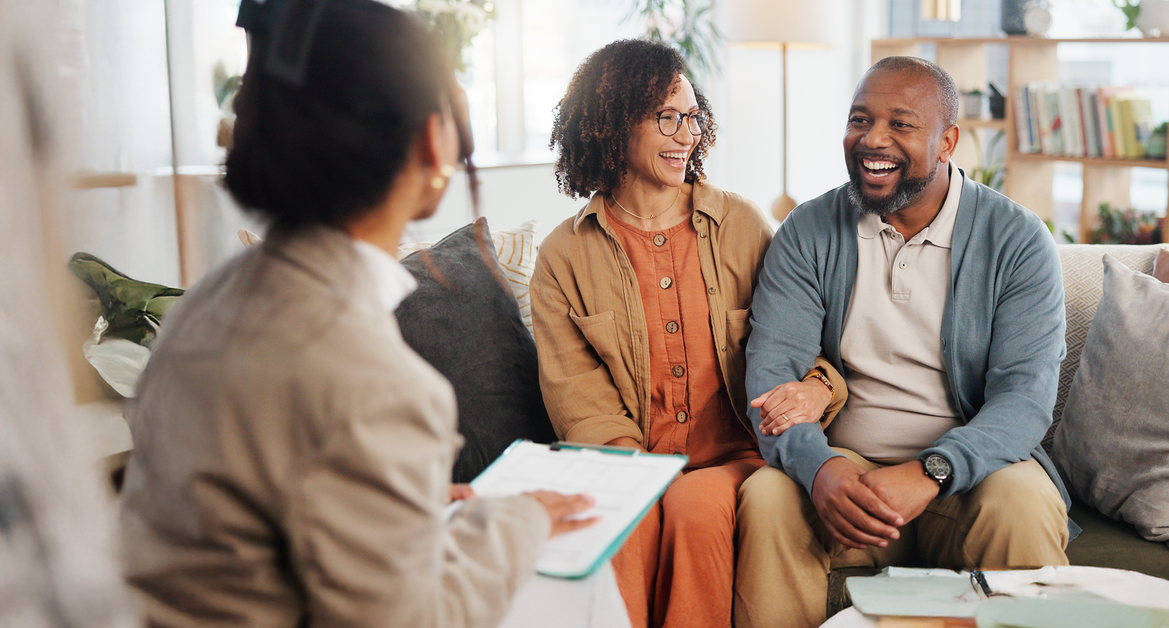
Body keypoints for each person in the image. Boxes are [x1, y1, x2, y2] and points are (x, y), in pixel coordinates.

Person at [118, 2, 594, 627]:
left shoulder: (204, 303)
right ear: (431, 138)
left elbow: (256, 510)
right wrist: (517, 518)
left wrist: (394, 501)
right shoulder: (377, 385)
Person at [733, 56, 1074, 628]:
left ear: (947, 143)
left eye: (900, 124)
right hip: (848, 472)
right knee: (768, 497)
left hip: (971, 480)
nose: (873, 140)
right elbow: (771, 376)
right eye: (859, 120)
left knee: (1023, 501)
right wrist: (819, 469)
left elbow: (1025, 399)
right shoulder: (809, 231)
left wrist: (931, 471)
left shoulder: (1016, 239)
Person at [532, 39, 846, 628]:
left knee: (696, 506)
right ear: (613, 126)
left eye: (693, 115)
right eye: (666, 118)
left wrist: (819, 387)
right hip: (626, 463)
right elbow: (581, 402)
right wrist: (633, 480)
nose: (687, 134)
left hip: (738, 458)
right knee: (617, 523)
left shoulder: (743, 225)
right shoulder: (562, 256)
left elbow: (809, 344)